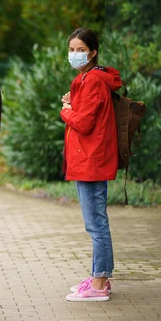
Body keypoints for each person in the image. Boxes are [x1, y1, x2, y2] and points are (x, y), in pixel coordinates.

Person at [61, 28, 122, 302]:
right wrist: (73, 104)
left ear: (93, 51)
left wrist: (66, 110)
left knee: (96, 223)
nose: (75, 54)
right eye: (71, 50)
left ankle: (99, 285)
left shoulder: (93, 81)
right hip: (89, 159)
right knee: (95, 222)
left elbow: (83, 122)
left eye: (80, 49)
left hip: (92, 160)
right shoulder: (86, 79)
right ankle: (99, 275)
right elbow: (87, 114)